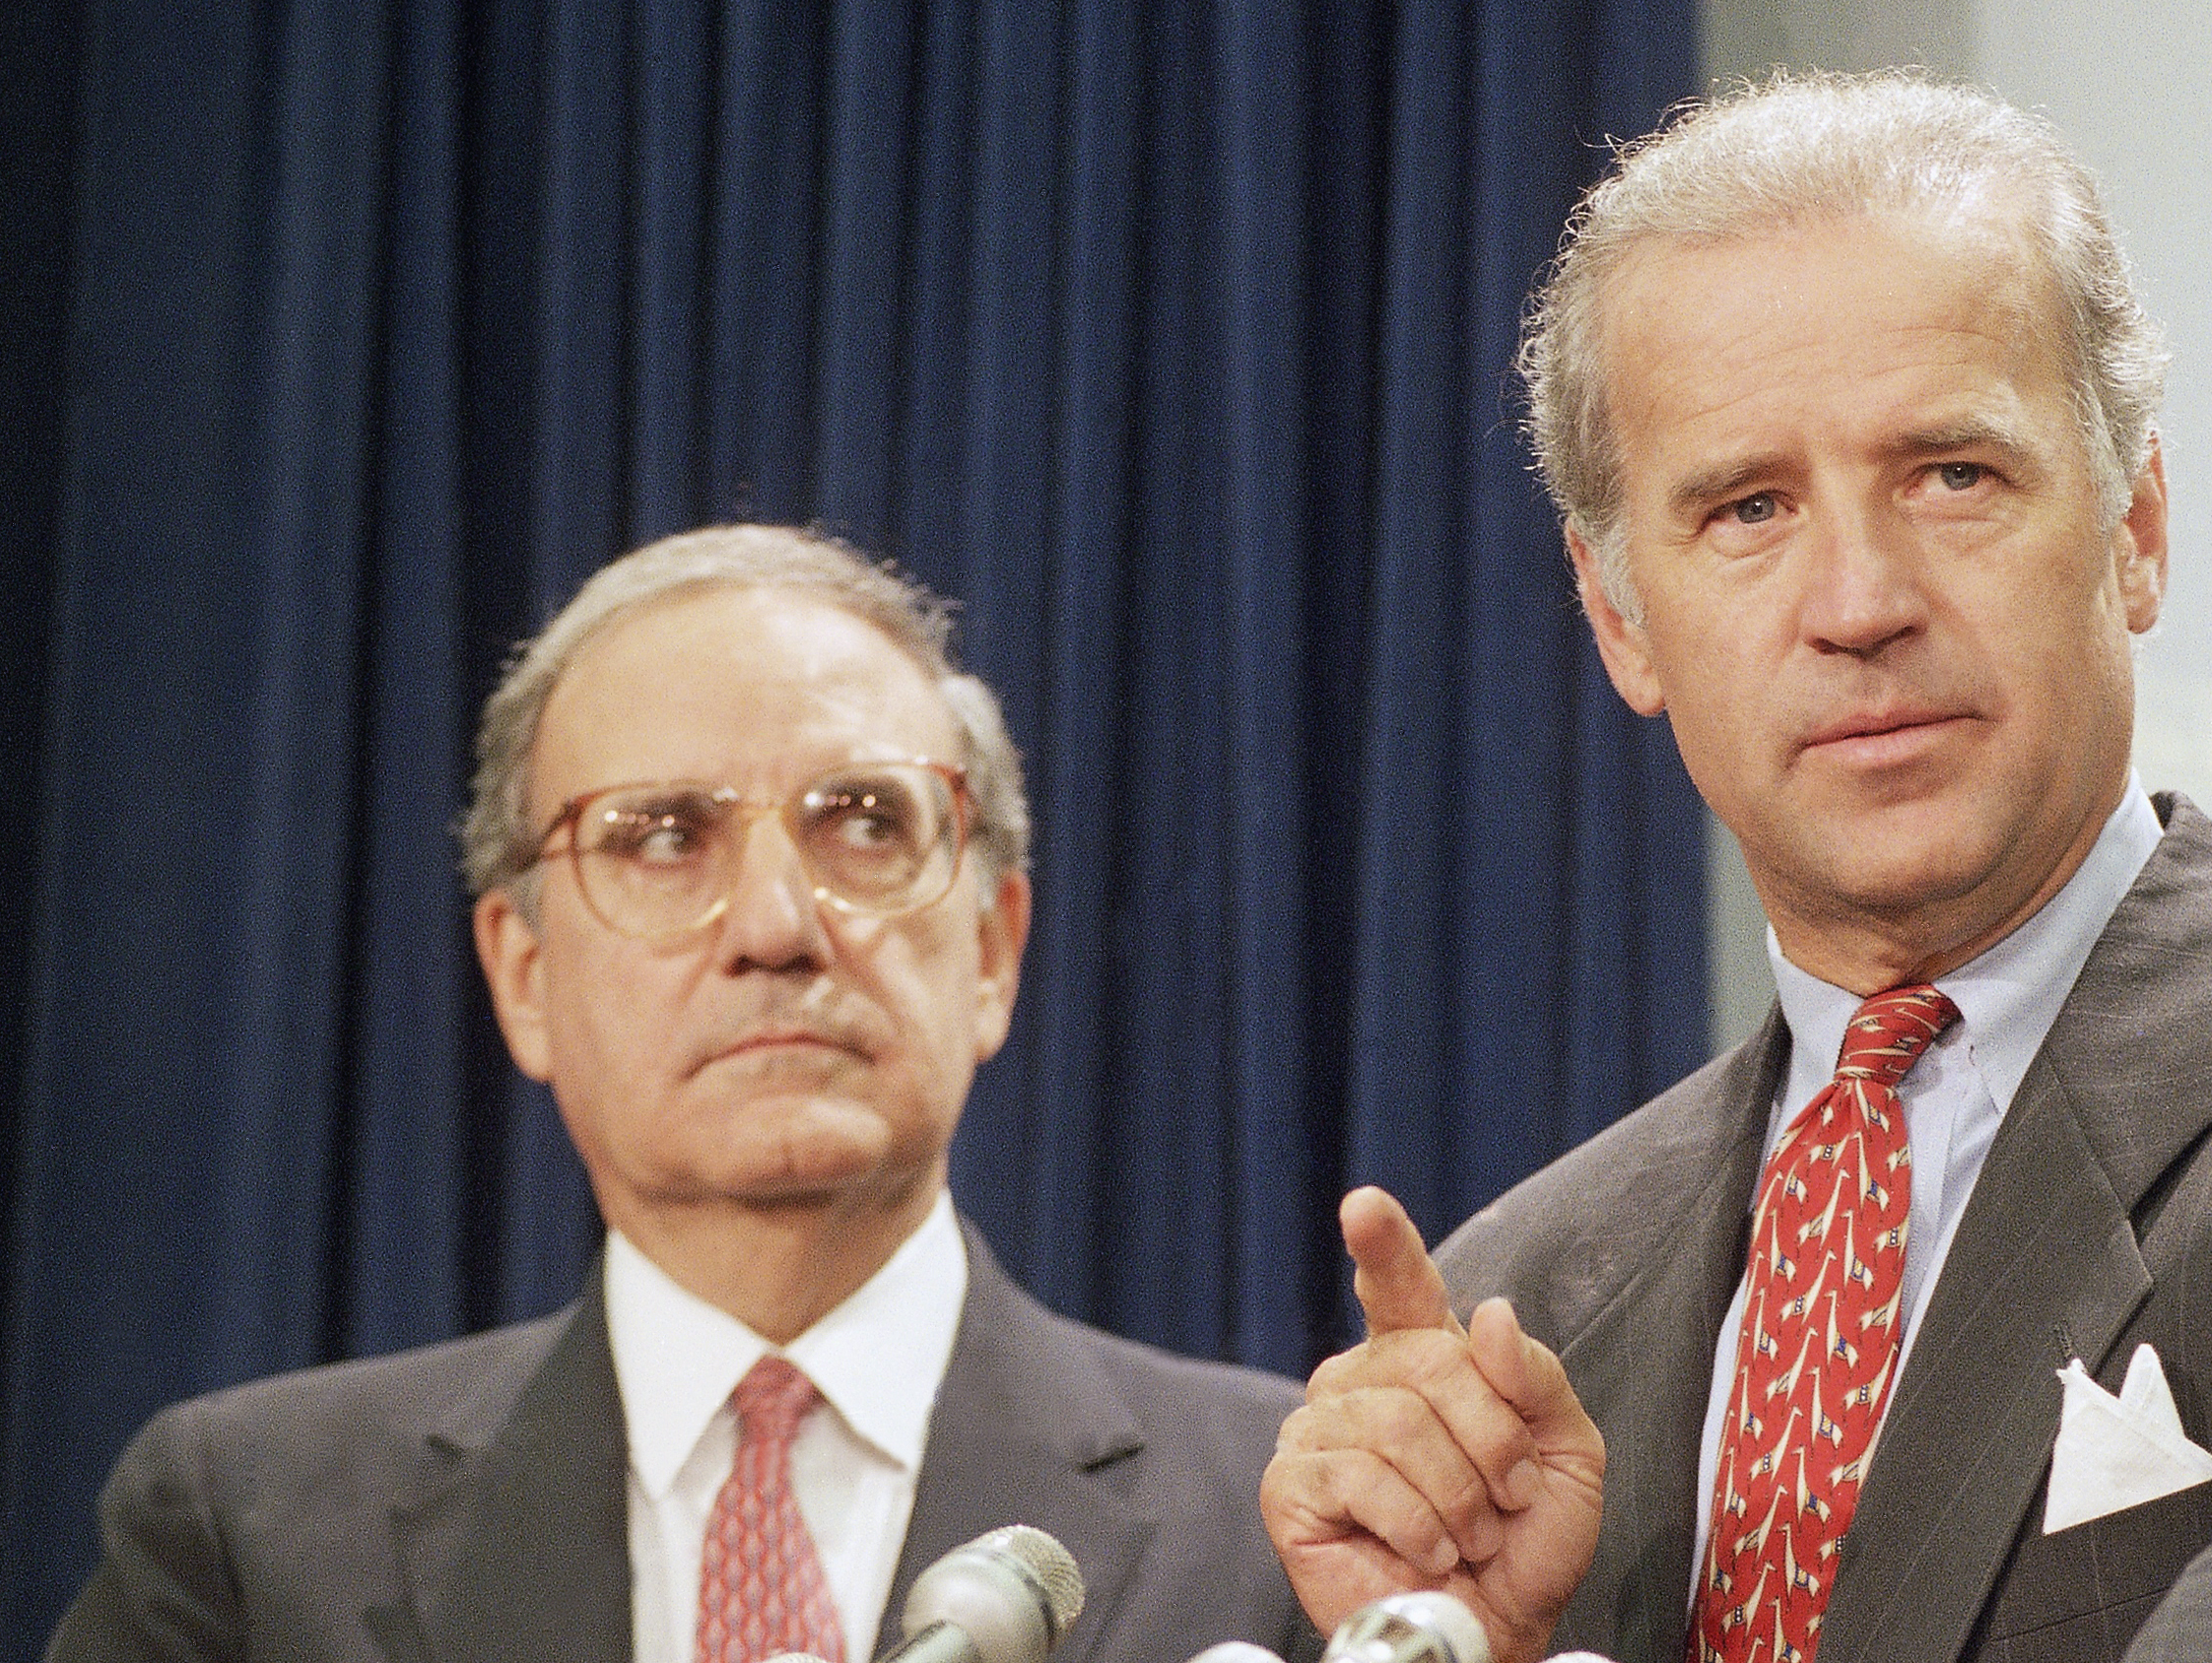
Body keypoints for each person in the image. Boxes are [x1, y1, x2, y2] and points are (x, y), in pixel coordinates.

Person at [1259, 72, 2212, 1663]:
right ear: (1621, 615)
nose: (1857, 599)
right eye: (1748, 507)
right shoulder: (1525, 1294)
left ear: (2137, 528)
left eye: (1949, 474)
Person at [52, 525, 1316, 1663]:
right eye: (661, 835)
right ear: (525, 973)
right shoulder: (246, 1536)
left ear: (990, 948)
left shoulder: (1285, 1520)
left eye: (865, 822)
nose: (775, 927)